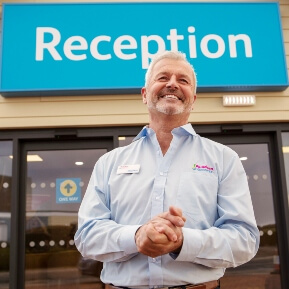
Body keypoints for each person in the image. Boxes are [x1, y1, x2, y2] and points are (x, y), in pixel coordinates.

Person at [74, 50, 260, 289]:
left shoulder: (224, 159)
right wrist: (136, 236)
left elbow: (245, 239)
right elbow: (87, 235)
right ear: (144, 94)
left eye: (183, 80)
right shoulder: (109, 163)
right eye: (162, 78)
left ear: (193, 99)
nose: (172, 84)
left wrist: (182, 241)